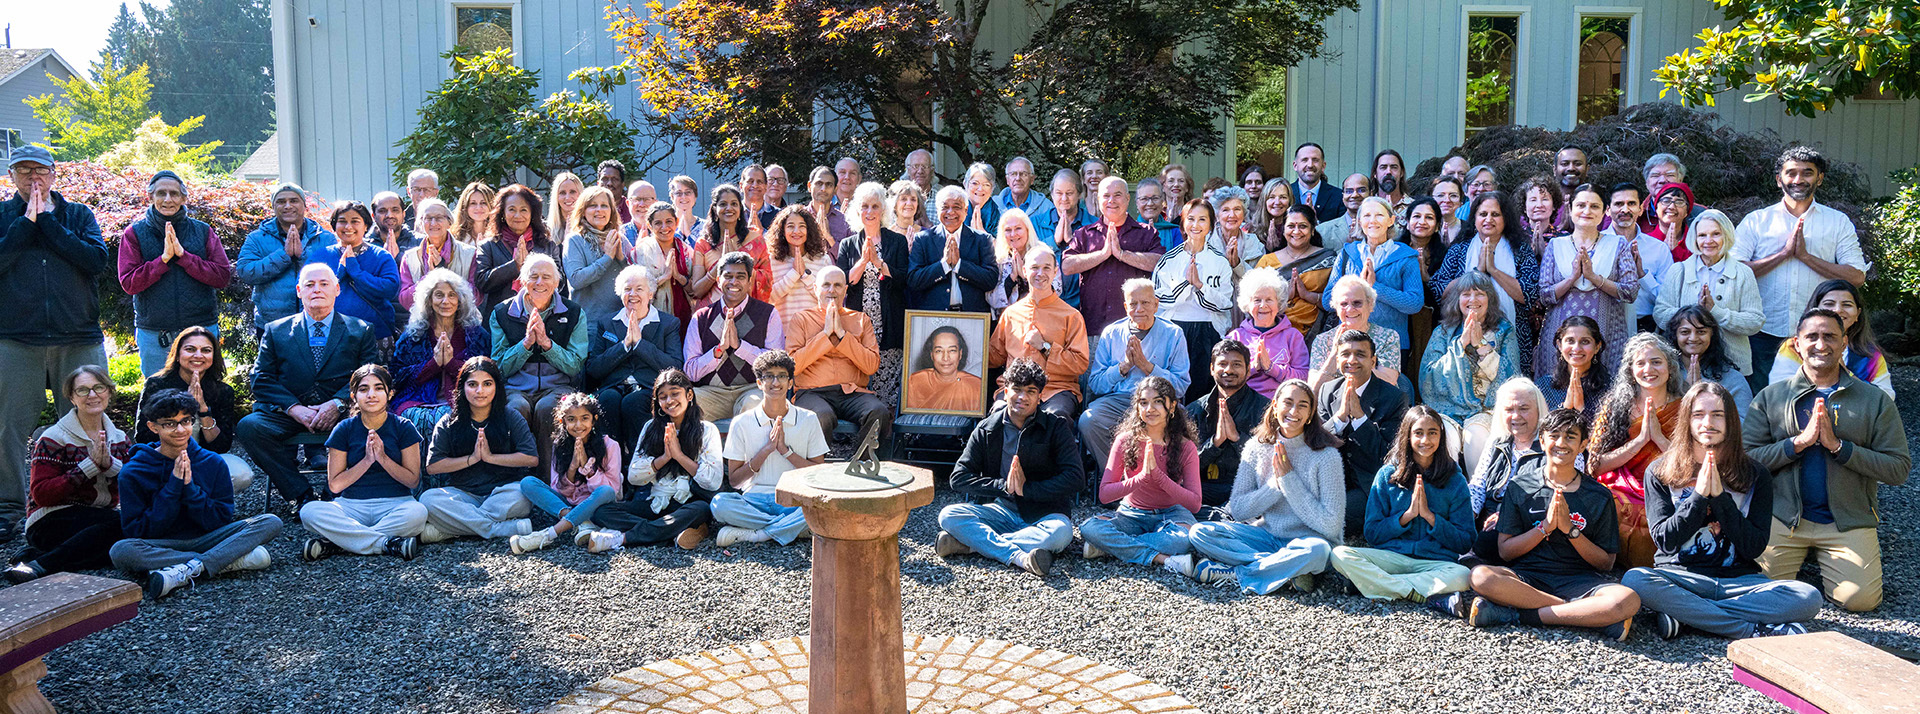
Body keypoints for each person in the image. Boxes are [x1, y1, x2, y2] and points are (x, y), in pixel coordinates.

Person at [1621, 381, 1823, 640]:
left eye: (1718, 415)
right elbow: (1665, 542)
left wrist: (1720, 499)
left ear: (1731, 421)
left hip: (1739, 583)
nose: (1708, 422)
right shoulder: (1660, 471)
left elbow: (1753, 548)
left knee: (1808, 598)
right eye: (1699, 415)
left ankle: (1688, 616)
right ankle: (1748, 629)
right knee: (1635, 580)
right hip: (1680, 578)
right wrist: (1698, 497)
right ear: (1687, 421)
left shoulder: (1755, 473)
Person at [1748, 308, 1909, 612]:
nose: (1821, 344)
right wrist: (1797, 444)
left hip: (1846, 522)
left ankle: (1825, 573)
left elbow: (1898, 468)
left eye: (1830, 337)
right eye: (1812, 337)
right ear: (1796, 344)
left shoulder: (1873, 400)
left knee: (1861, 602)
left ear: (1844, 342)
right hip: (1783, 518)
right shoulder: (1771, 397)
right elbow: (1745, 461)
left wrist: (1839, 448)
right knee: (1756, 593)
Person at [1455, 408, 1639, 641]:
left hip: (1579, 580)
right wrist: (1545, 528)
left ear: (1583, 445)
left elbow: (1606, 563)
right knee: (1480, 577)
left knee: (1628, 599)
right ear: (1542, 441)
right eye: (1554, 436)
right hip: (1527, 579)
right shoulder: (1520, 486)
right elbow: (1505, 551)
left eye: (1571, 436)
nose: (1561, 443)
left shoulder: (1599, 495)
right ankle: (1579, 613)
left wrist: (1570, 530)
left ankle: (1519, 615)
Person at [1175, 378, 1345, 593]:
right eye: (1288, 402)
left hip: (1308, 542)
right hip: (1267, 537)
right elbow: (1237, 510)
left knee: (1319, 551)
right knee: (1200, 532)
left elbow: (1332, 526)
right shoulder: (1257, 447)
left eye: (1303, 405)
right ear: (1275, 406)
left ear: (1311, 414)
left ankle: (1240, 573)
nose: (1294, 410)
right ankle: (1284, 568)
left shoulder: (1327, 456)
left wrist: (1289, 480)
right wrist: (1275, 485)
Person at [112, 388, 283, 599]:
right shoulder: (134, 471)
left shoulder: (212, 462)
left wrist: (190, 489)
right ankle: (223, 561)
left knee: (271, 521)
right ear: (153, 427)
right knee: (121, 551)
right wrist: (173, 487)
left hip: (210, 537)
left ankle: (185, 568)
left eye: (185, 421)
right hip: (165, 543)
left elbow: (220, 520)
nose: (180, 430)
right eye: (169, 424)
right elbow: (137, 531)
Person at [235, 263, 378, 510]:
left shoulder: (361, 330)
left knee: (373, 424)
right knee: (249, 427)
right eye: (310, 285)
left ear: (336, 289)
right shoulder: (275, 330)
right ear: (300, 291)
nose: (317, 290)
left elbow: (369, 378)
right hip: (291, 413)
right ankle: (301, 495)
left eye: (324, 284)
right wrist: (294, 409)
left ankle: (332, 492)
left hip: (341, 412)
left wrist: (338, 403)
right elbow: (261, 378)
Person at [937, 358, 1085, 576]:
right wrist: (1003, 486)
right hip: (1000, 510)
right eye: (1016, 389)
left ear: (1040, 397)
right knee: (948, 515)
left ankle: (969, 545)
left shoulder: (1055, 427)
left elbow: (1075, 478)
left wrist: (1028, 489)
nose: (1022, 397)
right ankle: (1020, 556)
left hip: (1044, 514)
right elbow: (958, 478)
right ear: (1005, 391)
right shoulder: (987, 428)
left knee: (1062, 533)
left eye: (1031, 391)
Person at [1737, 147, 1869, 390]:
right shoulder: (1756, 221)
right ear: (1779, 179)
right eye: (1791, 173)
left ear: (1819, 178)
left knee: (1817, 398)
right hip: (1763, 332)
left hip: (1819, 334)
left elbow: (1857, 276)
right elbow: (1734, 272)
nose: (1798, 180)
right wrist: (1783, 254)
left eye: (1807, 173)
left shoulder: (1837, 222)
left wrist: (1807, 258)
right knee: (1762, 402)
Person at [1332, 406, 1475, 603]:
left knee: (1463, 575)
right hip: (1392, 558)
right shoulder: (1386, 475)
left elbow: (1465, 541)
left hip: (1435, 562)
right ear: (1407, 436)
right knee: (1339, 554)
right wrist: (1405, 517)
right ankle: (1410, 590)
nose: (1425, 440)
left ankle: (1382, 585)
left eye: (1432, 433)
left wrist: (1430, 517)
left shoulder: (1455, 479)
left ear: (1441, 436)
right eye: (1418, 433)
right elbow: (1372, 534)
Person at [8, 366, 131, 582]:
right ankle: (42, 565)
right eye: (83, 390)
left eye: (98, 388)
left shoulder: (120, 439)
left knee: (130, 533)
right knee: (122, 528)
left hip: (96, 518)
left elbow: (134, 488)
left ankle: (38, 557)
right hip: (49, 520)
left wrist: (110, 464)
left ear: (109, 392)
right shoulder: (54, 437)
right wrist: (88, 466)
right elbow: (42, 495)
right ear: (72, 398)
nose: (92, 395)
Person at [300, 364, 427, 562]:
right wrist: (367, 461)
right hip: (351, 505)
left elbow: (412, 481)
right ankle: (385, 543)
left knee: (418, 513)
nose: (371, 395)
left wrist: (383, 458)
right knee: (309, 512)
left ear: (390, 394)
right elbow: (335, 485)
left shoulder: (404, 427)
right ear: (353, 396)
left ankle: (338, 543)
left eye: (378, 388)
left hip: (395, 504)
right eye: (363, 389)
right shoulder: (344, 429)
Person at [118, 170, 233, 377]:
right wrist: (162, 260)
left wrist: (184, 257)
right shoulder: (134, 233)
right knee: (158, 398)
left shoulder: (203, 231)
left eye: (174, 193)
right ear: (150, 197)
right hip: (155, 333)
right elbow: (129, 283)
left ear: (184, 198)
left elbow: (222, 276)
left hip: (200, 330)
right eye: (161, 193)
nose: (168, 199)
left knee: (204, 393)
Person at [1079, 377, 1203, 570]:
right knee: (1089, 528)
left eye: (1158, 402)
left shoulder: (1186, 447)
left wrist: (1159, 478)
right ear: (1137, 408)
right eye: (1143, 403)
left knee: (1184, 540)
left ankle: (1114, 547)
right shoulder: (1125, 441)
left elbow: (1195, 504)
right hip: (1132, 513)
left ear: (1172, 407)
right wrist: (1141, 479)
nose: (1150, 409)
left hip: (1171, 514)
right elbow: (1104, 495)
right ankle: (1161, 558)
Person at [1587, 333, 1684, 570]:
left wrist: (1659, 438)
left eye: (1656, 361)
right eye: (1640, 363)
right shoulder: (1615, 405)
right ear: (1631, 371)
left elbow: (1691, 465)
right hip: (1621, 485)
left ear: (1670, 368)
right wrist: (1640, 441)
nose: (1648, 369)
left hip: (1668, 483)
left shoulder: (1685, 407)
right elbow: (1594, 465)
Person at [712, 350, 828, 547]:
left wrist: (785, 451)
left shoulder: (808, 419)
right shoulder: (741, 422)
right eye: (769, 377)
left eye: (782, 376)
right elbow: (734, 480)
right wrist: (766, 450)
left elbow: (818, 474)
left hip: (794, 500)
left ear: (790, 383)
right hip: (753, 500)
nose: (776, 383)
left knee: (824, 506)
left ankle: (757, 535)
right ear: (759, 383)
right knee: (718, 504)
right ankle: (792, 529)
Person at [598, 370, 720, 551]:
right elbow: (634, 477)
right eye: (663, 397)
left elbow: (713, 482)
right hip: (656, 502)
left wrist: (679, 456)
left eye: (675, 393)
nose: (669, 401)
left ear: (689, 394)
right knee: (602, 512)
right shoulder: (651, 427)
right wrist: (664, 458)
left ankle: (626, 538)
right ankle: (669, 531)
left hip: (687, 502)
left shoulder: (706, 430)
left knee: (702, 509)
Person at [420, 357, 538, 542]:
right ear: (462, 388)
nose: (480, 391)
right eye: (472, 384)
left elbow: (531, 458)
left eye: (487, 384)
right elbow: (433, 466)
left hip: (503, 493)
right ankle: (497, 529)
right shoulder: (450, 421)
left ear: (496, 387)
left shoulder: (510, 416)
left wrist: (490, 457)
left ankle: (453, 529)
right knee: (428, 499)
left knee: (523, 496)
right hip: (463, 495)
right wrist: (473, 458)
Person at [490, 254, 589, 468]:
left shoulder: (574, 313)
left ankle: (548, 479)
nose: (539, 283)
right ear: (523, 281)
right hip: (515, 387)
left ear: (556, 283)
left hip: (557, 387)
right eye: (533, 276)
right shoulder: (501, 313)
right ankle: (514, 478)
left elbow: (575, 365)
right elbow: (499, 367)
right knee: (515, 408)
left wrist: (547, 344)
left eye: (546, 277)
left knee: (548, 409)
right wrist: (525, 345)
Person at [1080, 279, 1192, 464]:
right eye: (1133, 304)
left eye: (1145, 303)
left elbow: (1180, 387)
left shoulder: (1173, 334)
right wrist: (1123, 367)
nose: (1139, 309)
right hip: (1118, 401)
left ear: (1156, 304)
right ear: (1125, 306)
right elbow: (1096, 384)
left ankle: (1155, 478)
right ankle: (1118, 478)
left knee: (1181, 422)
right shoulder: (1111, 333)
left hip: (1158, 402)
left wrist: (1147, 367)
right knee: (1088, 421)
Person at [132, 328, 253, 492]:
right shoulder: (157, 385)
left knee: (241, 473)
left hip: (203, 459)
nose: (198, 355)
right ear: (178, 354)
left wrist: (203, 410)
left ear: (213, 356)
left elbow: (221, 446)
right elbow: (142, 437)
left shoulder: (223, 391)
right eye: (190, 349)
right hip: (163, 459)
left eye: (206, 350)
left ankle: (208, 509)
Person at [1316, 330, 1410, 536]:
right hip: (1330, 479)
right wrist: (1340, 418)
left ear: (1373, 360)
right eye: (1345, 354)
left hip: (1368, 482)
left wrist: (1360, 418)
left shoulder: (1394, 398)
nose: (1352, 360)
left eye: (1360, 354)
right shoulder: (1327, 391)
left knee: (1334, 516)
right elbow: (1316, 444)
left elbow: (1386, 457)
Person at [1536, 184, 1637, 375]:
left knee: (1604, 396)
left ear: (1605, 212)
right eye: (1581, 205)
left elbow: (1630, 292)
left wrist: (1593, 277)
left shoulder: (1618, 244)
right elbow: (1544, 296)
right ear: (1571, 209)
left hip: (1608, 336)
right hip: (1561, 339)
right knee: (1557, 393)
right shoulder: (1556, 245)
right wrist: (1573, 277)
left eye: (1594, 206)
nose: (1587, 211)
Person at [1653, 209, 1763, 378]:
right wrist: (1694, 313)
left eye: (1716, 234)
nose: (1708, 241)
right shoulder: (1679, 270)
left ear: (1726, 235)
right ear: (1694, 239)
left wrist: (1716, 312)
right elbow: (1660, 315)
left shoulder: (1743, 272)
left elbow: (1755, 322)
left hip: (1732, 365)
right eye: (1702, 235)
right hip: (1684, 365)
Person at [585, 266, 683, 453]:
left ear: (650, 294)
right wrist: (623, 346)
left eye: (639, 289)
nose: (633, 294)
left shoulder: (668, 323)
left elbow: (675, 367)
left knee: (633, 403)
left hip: (649, 388)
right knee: (608, 399)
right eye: (627, 289)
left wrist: (639, 345)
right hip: (615, 386)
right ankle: (612, 464)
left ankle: (640, 466)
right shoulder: (606, 323)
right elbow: (593, 368)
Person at [509, 393, 621, 554]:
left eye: (584, 418)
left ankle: (548, 534)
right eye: (571, 419)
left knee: (606, 491)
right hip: (567, 504)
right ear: (563, 421)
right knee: (528, 482)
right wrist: (573, 467)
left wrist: (588, 470)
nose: (578, 425)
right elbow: (557, 488)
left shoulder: (610, 445)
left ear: (594, 419)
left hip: (597, 505)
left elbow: (614, 489)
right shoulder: (559, 445)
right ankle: (581, 522)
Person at [787, 267, 889, 441]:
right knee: (820, 416)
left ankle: (861, 464)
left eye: (837, 285)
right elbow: (792, 366)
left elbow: (871, 366)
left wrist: (843, 335)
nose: (831, 290)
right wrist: (825, 335)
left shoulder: (861, 320)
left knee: (879, 413)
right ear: (815, 289)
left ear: (845, 290)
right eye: (826, 285)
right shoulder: (801, 319)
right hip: (813, 393)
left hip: (853, 393)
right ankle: (816, 467)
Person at [988, 247, 1091, 417]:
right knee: (999, 415)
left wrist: (1045, 348)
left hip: (1055, 389)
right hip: (1015, 389)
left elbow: (1079, 365)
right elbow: (994, 357)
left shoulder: (1071, 315)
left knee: (1055, 417)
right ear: (1024, 270)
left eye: (1046, 268)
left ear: (1055, 272)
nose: (1040, 273)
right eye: (1035, 267)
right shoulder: (1011, 313)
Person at [391, 269, 492, 438]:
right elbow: (397, 378)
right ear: (429, 300)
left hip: (465, 399)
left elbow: (487, 374)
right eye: (439, 295)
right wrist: (433, 364)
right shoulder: (413, 335)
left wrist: (451, 364)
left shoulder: (476, 335)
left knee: (453, 417)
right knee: (415, 418)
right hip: (417, 399)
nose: (446, 301)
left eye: (452, 295)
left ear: (460, 300)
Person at [837, 182, 911, 410]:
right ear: (858, 211)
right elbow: (844, 282)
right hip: (859, 323)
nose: (870, 212)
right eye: (865, 207)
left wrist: (879, 264)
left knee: (889, 384)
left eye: (875, 206)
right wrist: (861, 263)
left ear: (883, 210)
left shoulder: (896, 241)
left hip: (889, 322)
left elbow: (904, 278)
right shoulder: (848, 244)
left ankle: (887, 432)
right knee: (862, 377)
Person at [685, 252, 782, 421]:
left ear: (750, 281)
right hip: (711, 393)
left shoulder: (768, 314)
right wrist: (718, 350)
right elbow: (691, 372)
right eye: (728, 276)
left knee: (755, 407)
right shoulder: (701, 317)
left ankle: (747, 449)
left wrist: (740, 347)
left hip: (752, 389)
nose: (733, 282)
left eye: (740, 276)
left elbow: (776, 367)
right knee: (685, 403)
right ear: (718, 280)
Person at [1153, 199, 1233, 400]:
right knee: (1170, 390)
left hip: (1208, 331)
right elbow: (1159, 298)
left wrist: (1200, 286)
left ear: (1211, 225)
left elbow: (1225, 302)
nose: (1196, 225)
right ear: (1183, 223)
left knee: (1203, 391)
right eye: (1191, 219)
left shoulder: (1220, 261)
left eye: (1202, 219)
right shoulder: (1168, 259)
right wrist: (1185, 284)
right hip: (1174, 329)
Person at [1322, 197, 1423, 358]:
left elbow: (1415, 303)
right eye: (1367, 215)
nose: (1373, 220)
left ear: (1391, 220)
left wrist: (1374, 288)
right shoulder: (1347, 253)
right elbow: (1327, 300)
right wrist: (1359, 289)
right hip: (1350, 342)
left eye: (1379, 215)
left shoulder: (1406, 256)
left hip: (1392, 343)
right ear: (1359, 221)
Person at [1420, 270, 1521, 422]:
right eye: (1466, 294)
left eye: (1480, 294)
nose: (1472, 300)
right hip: (1447, 412)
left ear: (1490, 299)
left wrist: (1481, 344)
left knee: (1475, 438)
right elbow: (1428, 378)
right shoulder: (1443, 332)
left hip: (1488, 411)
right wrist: (1460, 344)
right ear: (1458, 299)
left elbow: (1511, 379)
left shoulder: (1504, 331)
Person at [1187, 340, 1270, 522]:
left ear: (1248, 371)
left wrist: (1237, 439)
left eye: (1236, 365)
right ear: (1211, 368)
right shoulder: (1194, 410)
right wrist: (1214, 443)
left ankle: (1219, 520)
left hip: (1245, 489)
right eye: (1222, 364)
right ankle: (1223, 520)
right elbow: (1184, 467)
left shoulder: (1266, 409)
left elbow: (1267, 467)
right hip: (1203, 489)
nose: (1229, 370)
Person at [1067, 176, 1166, 328]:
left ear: (1127, 198)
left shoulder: (1146, 233)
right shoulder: (1084, 234)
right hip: (1094, 325)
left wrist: (1122, 254)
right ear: (1098, 199)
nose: (1111, 200)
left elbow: (1159, 262)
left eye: (1117, 195)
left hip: (1136, 325)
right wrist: (1102, 255)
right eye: (1106, 196)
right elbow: (1067, 266)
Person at [1466, 378, 1547, 564]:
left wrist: (1507, 514)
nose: (1516, 416)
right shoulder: (1497, 442)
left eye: (1524, 409)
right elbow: (1478, 484)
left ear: (1538, 410)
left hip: (1526, 517)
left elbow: (1550, 494)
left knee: (1487, 542)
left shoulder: (1549, 445)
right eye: (1509, 410)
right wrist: (1468, 515)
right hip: (1491, 512)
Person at [1766, 279, 1893, 397]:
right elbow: (1778, 391)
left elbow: (1886, 397)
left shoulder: (1869, 353)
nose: (1837, 310)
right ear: (1815, 310)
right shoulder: (1794, 348)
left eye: (1847, 305)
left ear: (1857, 314)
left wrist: (1846, 373)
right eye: (1829, 304)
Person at [237, 182, 335, 332]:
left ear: (304, 205)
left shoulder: (325, 238)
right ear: (273, 207)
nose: (288, 206)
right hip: (272, 324)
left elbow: (337, 274)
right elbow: (246, 272)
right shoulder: (257, 238)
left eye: (294, 201)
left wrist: (303, 257)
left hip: (318, 321)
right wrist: (284, 256)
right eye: (281, 202)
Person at [314, 200, 403, 347]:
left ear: (366, 225)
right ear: (334, 226)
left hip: (376, 336)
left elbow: (390, 289)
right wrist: (340, 273)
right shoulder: (320, 256)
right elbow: (307, 289)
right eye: (342, 221)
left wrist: (356, 272)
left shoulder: (381, 256)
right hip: (331, 336)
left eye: (355, 221)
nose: (348, 227)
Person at [472, 184, 563, 314]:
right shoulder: (488, 245)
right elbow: (482, 282)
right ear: (502, 213)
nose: (518, 215)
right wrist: (515, 266)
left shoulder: (547, 245)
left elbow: (560, 282)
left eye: (524, 210)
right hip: (500, 319)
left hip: (542, 315)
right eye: (512, 209)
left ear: (532, 213)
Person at [907, 186, 998, 312]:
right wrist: (943, 265)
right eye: (945, 207)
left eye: (956, 207)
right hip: (933, 315)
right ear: (938, 210)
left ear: (966, 211)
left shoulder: (982, 239)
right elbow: (914, 280)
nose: (950, 212)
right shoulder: (923, 239)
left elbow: (991, 280)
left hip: (972, 315)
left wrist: (959, 265)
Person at [1254, 205, 1337, 337]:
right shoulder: (1266, 261)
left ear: (1313, 230)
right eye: (1291, 226)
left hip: (1318, 333)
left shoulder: (1328, 259)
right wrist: (1285, 296)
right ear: (1283, 230)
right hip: (1273, 333)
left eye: (1303, 226)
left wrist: (1308, 296)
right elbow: (1253, 302)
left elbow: (1338, 300)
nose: (1296, 231)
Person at [1226, 268, 1308, 398]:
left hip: (1281, 402)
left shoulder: (1293, 336)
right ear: (1248, 304)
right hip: (1243, 404)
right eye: (1257, 300)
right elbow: (1227, 378)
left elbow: (1303, 377)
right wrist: (1253, 367)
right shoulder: (1235, 337)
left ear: (1279, 303)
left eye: (1269, 299)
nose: (1263, 305)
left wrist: (1271, 368)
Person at [1307, 276, 1403, 386]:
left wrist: (1352, 364)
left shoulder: (1388, 337)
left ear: (1370, 305)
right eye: (1344, 304)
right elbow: (1314, 389)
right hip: (1334, 401)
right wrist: (1334, 355)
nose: (1350, 309)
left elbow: (1389, 381)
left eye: (1357, 303)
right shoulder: (1323, 340)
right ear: (1336, 309)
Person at [690, 184, 772, 308]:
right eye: (723, 204)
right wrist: (719, 266)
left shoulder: (755, 240)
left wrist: (742, 267)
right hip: (713, 315)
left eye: (734, 204)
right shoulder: (704, 244)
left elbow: (768, 281)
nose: (729, 208)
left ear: (740, 210)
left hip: (748, 314)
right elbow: (696, 291)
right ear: (714, 210)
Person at [1664, 306, 1756, 417]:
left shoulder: (1733, 379)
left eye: (1701, 332)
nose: (1693, 338)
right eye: (1685, 332)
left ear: (1712, 335)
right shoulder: (1663, 375)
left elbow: (1745, 423)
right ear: (1675, 335)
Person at [561, 185, 635, 321]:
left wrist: (621, 258)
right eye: (593, 205)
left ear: (611, 211)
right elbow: (576, 279)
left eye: (604, 205)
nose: (599, 210)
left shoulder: (619, 238)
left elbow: (635, 278)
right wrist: (607, 258)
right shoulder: (575, 240)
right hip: (589, 323)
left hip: (620, 321)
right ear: (583, 211)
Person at [1608, 183, 1673, 334]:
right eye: (1618, 204)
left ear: (1640, 209)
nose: (1625, 209)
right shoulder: (1597, 245)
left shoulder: (1658, 249)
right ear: (1607, 210)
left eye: (1631, 203)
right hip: (1605, 325)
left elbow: (1668, 300)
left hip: (1647, 328)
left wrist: (1642, 275)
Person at [398, 198, 479, 311]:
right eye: (428, 218)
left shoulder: (469, 253)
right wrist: (428, 278)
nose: (433, 223)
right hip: (424, 322)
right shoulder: (410, 257)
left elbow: (476, 296)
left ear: (449, 222)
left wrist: (444, 276)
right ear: (421, 223)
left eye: (439, 218)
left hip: (461, 320)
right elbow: (405, 300)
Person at [1033, 172, 1096, 304]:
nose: (1064, 198)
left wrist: (1072, 243)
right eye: (1059, 193)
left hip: (1084, 303)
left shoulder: (1094, 225)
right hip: (1044, 303)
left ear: (1079, 194)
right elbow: (1029, 258)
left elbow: (1097, 262)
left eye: (1069, 193)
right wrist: (1054, 242)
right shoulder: (1035, 223)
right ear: (1051, 194)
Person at [633, 200, 699, 326]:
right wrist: (664, 277)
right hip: (649, 320)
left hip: (683, 317)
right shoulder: (640, 253)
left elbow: (696, 291)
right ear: (649, 225)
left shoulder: (687, 252)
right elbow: (635, 291)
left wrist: (678, 277)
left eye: (669, 221)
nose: (664, 227)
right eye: (658, 223)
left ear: (676, 222)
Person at [768, 205, 836, 325]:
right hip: (783, 332)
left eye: (802, 226)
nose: (796, 231)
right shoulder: (772, 260)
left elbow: (828, 298)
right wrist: (793, 274)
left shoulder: (822, 259)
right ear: (782, 230)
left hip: (816, 331)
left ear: (809, 230)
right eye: (790, 226)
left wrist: (806, 275)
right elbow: (769, 298)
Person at [1399, 197, 1447, 364]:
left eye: (1429, 217)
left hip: (1432, 323)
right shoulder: (1394, 250)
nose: (1422, 222)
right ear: (1407, 222)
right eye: (1416, 216)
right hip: (1399, 320)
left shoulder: (1445, 254)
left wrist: (1427, 278)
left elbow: (1447, 296)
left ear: (1437, 226)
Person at [1537, 316, 1609, 421]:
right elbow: (1539, 429)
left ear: (1597, 347)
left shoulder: (1610, 388)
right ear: (1560, 345)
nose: (1576, 348)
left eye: (1585, 341)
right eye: (1570, 341)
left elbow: (1610, 432)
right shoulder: (1544, 386)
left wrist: (1582, 410)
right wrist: (1565, 408)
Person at [986, 208, 1055, 314]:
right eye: (1008, 230)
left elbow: (1057, 290)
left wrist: (1026, 276)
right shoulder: (997, 257)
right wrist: (1011, 278)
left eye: (1018, 228)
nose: (1013, 234)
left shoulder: (1043, 252)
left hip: (1042, 315)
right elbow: (991, 300)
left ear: (1028, 230)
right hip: (1008, 319)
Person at [906, 326, 985, 414]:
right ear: (931, 355)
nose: (946, 358)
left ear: (960, 354)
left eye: (952, 350)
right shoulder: (915, 380)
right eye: (939, 351)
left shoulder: (976, 385)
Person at [1203, 186, 1262, 277]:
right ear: (1217, 216)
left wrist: (1238, 264)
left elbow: (1260, 281)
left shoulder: (1255, 243)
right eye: (1225, 210)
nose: (1232, 215)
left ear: (1244, 214)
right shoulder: (1204, 242)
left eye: (1237, 209)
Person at [1314, 173, 1369, 252]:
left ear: (1371, 193)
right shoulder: (1322, 231)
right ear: (1343, 196)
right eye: (1349, 191)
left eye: (1361, 190)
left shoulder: (1382, 228)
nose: (1354, 195)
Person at [1291, 143, 1343, 223]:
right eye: (1304, 160)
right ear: (1295, 166)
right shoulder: (1286, 194)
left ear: (1323, 166)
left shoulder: (1339, 196)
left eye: (1315, 160)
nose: (1310, 165)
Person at [1646, 182, 1698, 261]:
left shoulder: (1698, 242)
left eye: (1679, 202)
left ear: (1687, 211)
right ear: (1656, 207)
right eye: (1666, 201)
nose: (1672, 207)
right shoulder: (1644, 242)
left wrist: (1676, 252)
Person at [802, 167, 853, 243]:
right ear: (809, 186)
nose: (823, 189)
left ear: (835, 189)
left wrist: (829, 237)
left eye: (829, 184)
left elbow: (851, 254)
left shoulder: (845, 222)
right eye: (819, 183)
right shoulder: (799, 217)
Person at [1517, 176, 1562, 255]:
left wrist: (1545, 255)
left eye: (1545, 199)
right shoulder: (1516, 237)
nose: (1539, 205)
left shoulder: (1564, 238)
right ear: (1524, 207)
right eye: (1533, 200)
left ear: (1554, 205)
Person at [1549, 146, 1591, 231]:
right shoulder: (1541, 204)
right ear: (1554, 169)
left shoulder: (1598, 204)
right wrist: (1558, 232)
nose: (1571, 168)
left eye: (1578, 164)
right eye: (1564, 164)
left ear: (1587, 169)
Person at [995, 157, 1047, 223]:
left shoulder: (1045, 208)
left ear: (1032, 179)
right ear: (1007, 180)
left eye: (1024, 174)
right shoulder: (993, 205)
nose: (1018, 178)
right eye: (1013, 174)